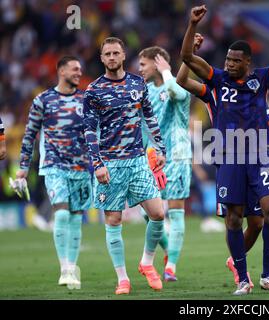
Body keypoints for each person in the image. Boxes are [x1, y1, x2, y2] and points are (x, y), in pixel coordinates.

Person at [181, 5, 269, 295]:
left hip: (260, 155)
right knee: (234, 218)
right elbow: (186, 58)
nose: (230, 64)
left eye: (236, 61)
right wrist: (192, 24)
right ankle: (243, 279)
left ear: (248, 62)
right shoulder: (216, 79)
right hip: (228, 155)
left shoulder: (262, 78)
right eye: (228, 59)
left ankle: (268, 275)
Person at [83, 37, 166, 295]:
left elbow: (149, 116)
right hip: (110, 163)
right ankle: (122, 278)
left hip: (138, 160)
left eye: (115, 53)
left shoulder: (137, 83)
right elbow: (88, 131)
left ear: (122, 55)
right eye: (106, 53)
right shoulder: (93, 91)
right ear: (101, 58)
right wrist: (97, 164)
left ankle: (147, 262)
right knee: (114, 218)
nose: (111, 57)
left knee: (158, 214)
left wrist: (160, 147)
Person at [16, 56, 91, 289]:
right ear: (61, 71)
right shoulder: (43, 100)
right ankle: (64, 269)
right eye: (74, 69)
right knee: (61, 212)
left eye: (80, 69)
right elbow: (29, 134)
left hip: (81, 168)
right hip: (54, 165)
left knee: (76, 218)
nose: (79, 72)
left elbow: (94, 133)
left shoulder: (86, 99)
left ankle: (72, 266)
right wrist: (22, 168)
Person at [137, 45, 191, 282]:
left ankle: (172, 266)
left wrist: (168, 72)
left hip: (176, 154)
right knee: (148, 212)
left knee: (176, 211)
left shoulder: (178, 85)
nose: (140, 69)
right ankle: (168, 248)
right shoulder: (144, 91)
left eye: (143, 64)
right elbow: (141, 125)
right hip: (152, 157)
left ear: (157, 63)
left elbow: (176, 94)